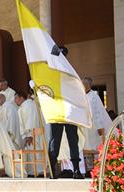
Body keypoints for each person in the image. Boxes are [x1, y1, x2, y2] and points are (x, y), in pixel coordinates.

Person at [48, 46, 84, 179]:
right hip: (56, 109)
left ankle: (76, 170)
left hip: (69, 110)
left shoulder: (70, 71)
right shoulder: (50, 71)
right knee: (55, 141)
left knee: (73, 140)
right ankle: (52, 169)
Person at [15, 91, 45, 176]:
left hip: (33, 134)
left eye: (16, 98)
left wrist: (29, 135)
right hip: (29, 134)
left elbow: (31, 120)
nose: (15, 101)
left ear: (21, 98)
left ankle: (39, 171)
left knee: (36, 152)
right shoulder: (23, 106)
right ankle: (33, 171)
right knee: (31, 153)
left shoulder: (28, 105)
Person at [82, 77, 112, 151]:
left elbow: (98, 113)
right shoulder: (82, 95)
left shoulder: (94, 96)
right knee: (86, 147)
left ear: (87, 85)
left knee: (94, 147)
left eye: (82, 84)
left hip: (94, 127)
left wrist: (99, 127)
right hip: (85, 126)